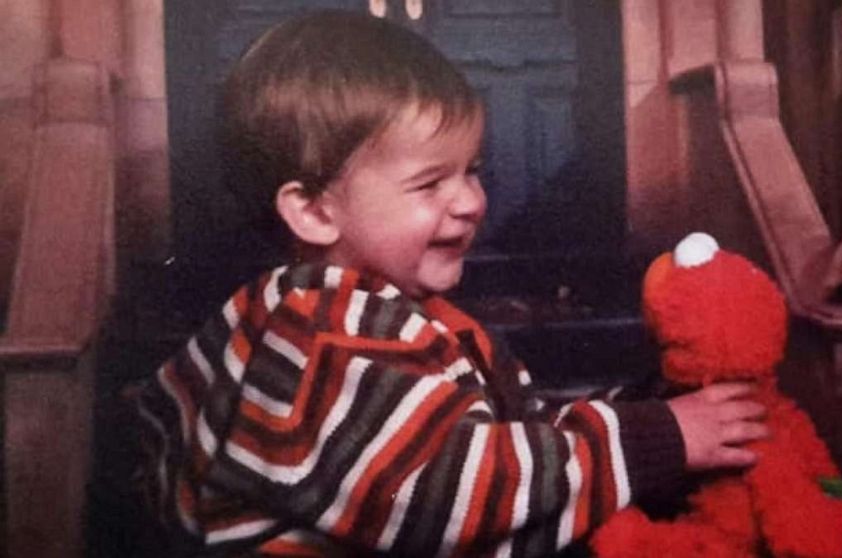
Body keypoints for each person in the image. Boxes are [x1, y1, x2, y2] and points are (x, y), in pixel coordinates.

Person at [130, 9, 767, 557]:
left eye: (472, 170)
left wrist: (645, 406)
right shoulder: (322, 328)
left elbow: (516, 433)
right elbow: (448, 490)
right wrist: (655, 440)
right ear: (315, 211)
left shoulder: (410, 317)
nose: (469, 200)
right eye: (430, 183)